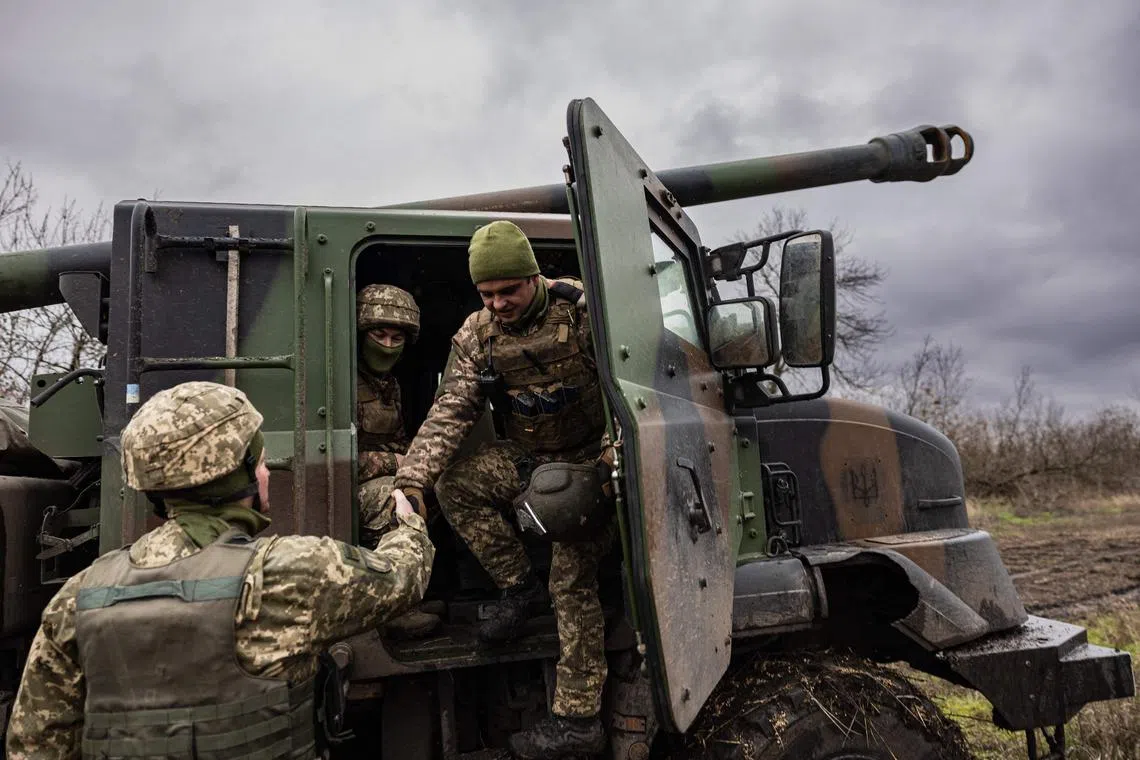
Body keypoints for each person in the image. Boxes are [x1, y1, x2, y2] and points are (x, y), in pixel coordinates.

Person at [6, 381, 434, 760]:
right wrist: (409, 519)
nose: (267, 470)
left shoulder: (79, 597)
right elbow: (404, 576)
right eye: (260, 460)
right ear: (240, 475)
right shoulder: (289, 572)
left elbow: (36, 745)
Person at [390, 220, 612, 758]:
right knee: (455, 485)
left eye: (508, 290)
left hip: (592, 460)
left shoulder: (585, 311)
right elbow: (451, 412)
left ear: (534, 277)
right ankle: (517, 588)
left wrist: (609, 461)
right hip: (529, 457)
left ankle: (578, 721)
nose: (498, 304)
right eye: (486, 294)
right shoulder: (477, 335)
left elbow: (632, 386)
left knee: (572, 581)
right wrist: (411, 480)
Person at [355, 283, 441, 638]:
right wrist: (395, 463)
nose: (388, 345)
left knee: (432, 491)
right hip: (345, 489)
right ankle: (390, 609)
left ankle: (412, 592)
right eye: (379, 334)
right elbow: (339, 458)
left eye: (396, 338)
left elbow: (400, 440)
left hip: (381, 475)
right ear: (362, 333)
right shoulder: (340, 381)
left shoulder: (389, 385)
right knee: (395, 500)